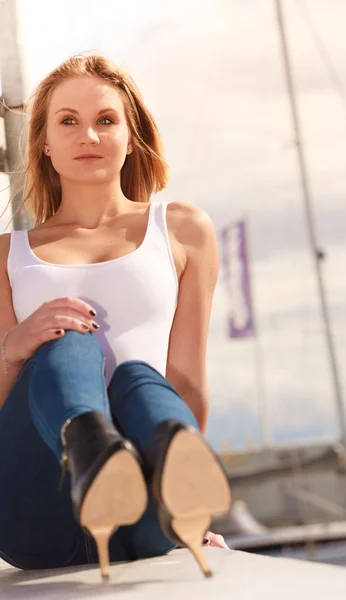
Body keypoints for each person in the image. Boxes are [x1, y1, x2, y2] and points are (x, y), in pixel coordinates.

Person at [0, 54, 231, 581]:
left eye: (105, 120)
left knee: (137, 379)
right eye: (68, 122)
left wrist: (189, 511)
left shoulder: (182, 229)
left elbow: (188, 381)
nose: (89, 135)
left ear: (132, 138)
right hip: (35, 511)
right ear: (44, 142)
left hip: (144, 513)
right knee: (65, 342)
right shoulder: (5, 255)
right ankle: (92, 457)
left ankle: (169, 482)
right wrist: (15, 349)